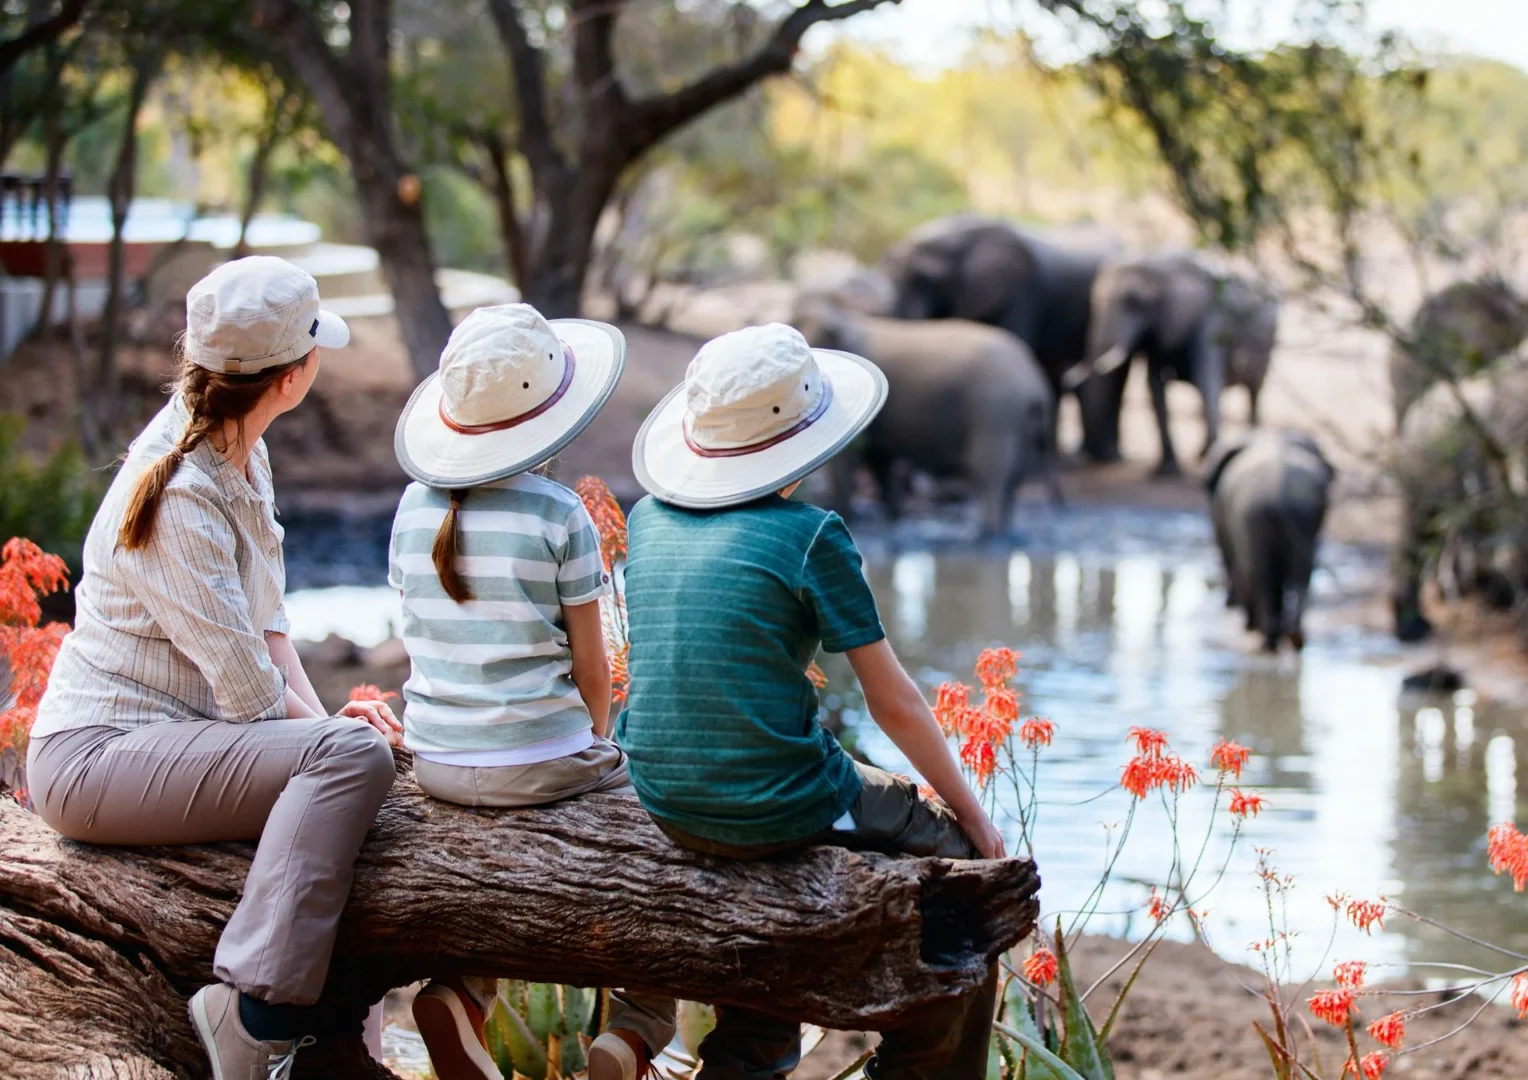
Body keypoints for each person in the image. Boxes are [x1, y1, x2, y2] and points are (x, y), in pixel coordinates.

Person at [23, 256, 403, 1077]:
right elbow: (247, 695)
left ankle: (326, 1041)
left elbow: (266, 626)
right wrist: (327, 743)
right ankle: (250, 1011)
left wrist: (324, 726)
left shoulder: (239, 452)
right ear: (293, 375)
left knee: (346, 751)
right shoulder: (178, 489)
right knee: (354, 757)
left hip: (174, 740)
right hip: (95, 758)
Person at [623, 323, 1008, 1080]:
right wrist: (970, 814)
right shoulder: (810, 534)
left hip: (662, 794)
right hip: (778, 802)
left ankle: (748, 1062)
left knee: (773, 909)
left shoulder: (647, 519)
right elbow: (892, 701)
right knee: (965, 886)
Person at [387, 302, 677, 1080]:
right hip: (543, 761)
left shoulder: (412, 508)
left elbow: (421, 634)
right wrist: (596, 744)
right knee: (664, 844)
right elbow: (592, 664)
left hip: (438, 762)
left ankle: (463, 991)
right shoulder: (558, 513)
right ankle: (635, 1026)